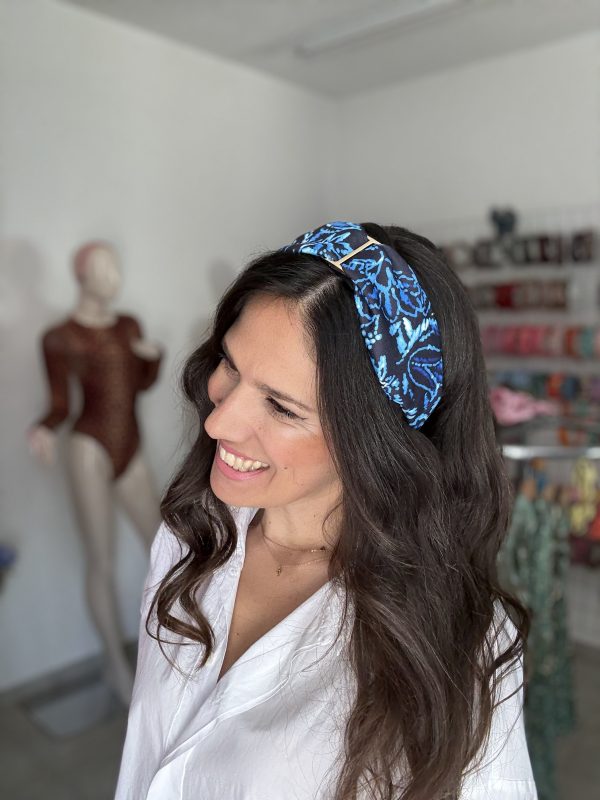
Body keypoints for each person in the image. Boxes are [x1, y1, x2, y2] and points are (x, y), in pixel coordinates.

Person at [114, 221, 538, 799]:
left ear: (374, 440)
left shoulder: (460, 643)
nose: (218, 423)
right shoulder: (191, 534)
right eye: (230, 365)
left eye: (281, 407)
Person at [28, 241, 164, 706]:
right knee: (101, 559)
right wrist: (45, 429)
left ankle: (170, 646)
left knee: (165, 546)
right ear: (82, 275)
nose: (114, 278)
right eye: (105, 270)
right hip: (88, 446)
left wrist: (151, 357)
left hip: (130, 443)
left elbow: (139, 385)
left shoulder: (128, 325)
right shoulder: (60, 337)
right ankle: (113, 663)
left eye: (116, 268)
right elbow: (60, 403)